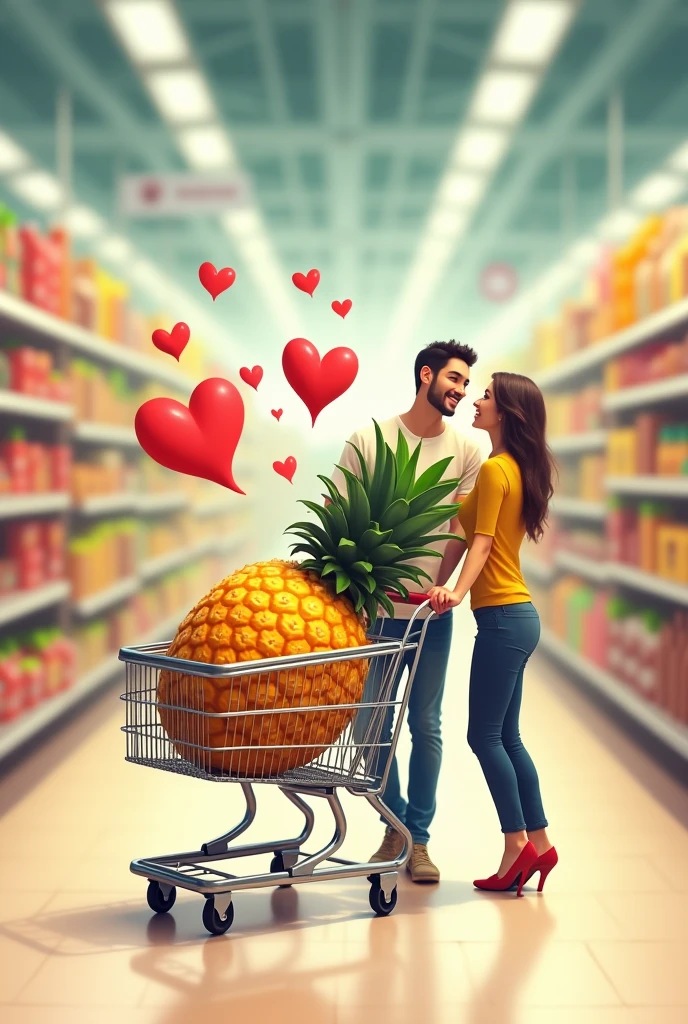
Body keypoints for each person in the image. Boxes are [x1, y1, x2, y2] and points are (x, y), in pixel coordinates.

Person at [329, 340, 483, 883]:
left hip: (427, 613)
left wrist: (439, 590)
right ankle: (391, 820)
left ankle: (418, 839)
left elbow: (460, 531)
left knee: (425, 723)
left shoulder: (468, 451)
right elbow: (337, 511)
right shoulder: (369, 440)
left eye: (467, 384)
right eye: (455, 380)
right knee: (369, 722)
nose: (462, 392)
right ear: (426, 375)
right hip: (371, 611)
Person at [428, 372, 558, 897]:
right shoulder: (512, 470)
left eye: (486, 395)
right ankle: (542, 843)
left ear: (505, 412)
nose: (476, 401)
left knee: (482, 736)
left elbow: (481, 545)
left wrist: (456, 593)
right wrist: (435, 583)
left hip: (502, 616)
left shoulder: (495, 471)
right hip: (517, 616)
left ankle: (515, 848)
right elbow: (461, 535)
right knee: (508, 737)